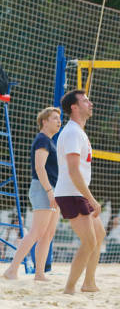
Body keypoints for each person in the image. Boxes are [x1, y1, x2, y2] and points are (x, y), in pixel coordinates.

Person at [54, 90, 105, 294]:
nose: (90, 103)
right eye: (85, 100)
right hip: (70, 193)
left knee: (99, 234)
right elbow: (74, 170)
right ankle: (69, 288)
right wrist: (92, 199)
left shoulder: (78, 131)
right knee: (89, 241)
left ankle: (89, 283)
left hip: (76, 192)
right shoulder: (73, 132)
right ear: (74, 107)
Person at [3, 107, 62, 281]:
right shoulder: (42, 139)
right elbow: (39, 167)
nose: (59, 121)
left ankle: (39, 274)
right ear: (44, 121)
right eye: (55, 118)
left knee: (48, 234)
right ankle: (12, 270)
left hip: (52, 189)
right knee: (36, 232)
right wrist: (50, 191)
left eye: (59, 118)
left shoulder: (51, 141)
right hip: (43, 188)